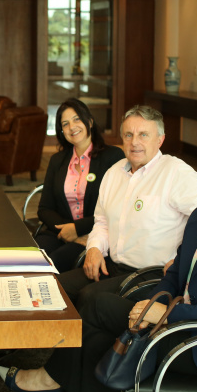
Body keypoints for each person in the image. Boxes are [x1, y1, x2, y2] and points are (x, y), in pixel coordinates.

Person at [0, 137, 197, 392]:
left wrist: (166, 314)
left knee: (95, 303)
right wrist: (156, 302)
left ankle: (52, 380)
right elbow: (175, 274)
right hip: (175, 325)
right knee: (94, 344)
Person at [57, 105, 197, 309]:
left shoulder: (177, 173)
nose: (135, 142)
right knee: (55, 288)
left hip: (151, 274)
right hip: (112, 265)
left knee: (88, 298)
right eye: (128, 135)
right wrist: (94, 248)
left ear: (160, 139)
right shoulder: (113, 172)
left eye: (144, 134)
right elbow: (102, 221)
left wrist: (182, 259)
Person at [35, 98, 124, 272]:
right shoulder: (57, 161)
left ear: (89, 121)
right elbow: (44, 208)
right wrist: (68, 231)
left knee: (53, 264)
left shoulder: (112, 157)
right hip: (59, 231)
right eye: (65, 124)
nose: (72, 127)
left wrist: (78, 229)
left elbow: (117, 208)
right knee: (32, 257)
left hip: (94, 235)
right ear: (61, 131)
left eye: (77, 119)